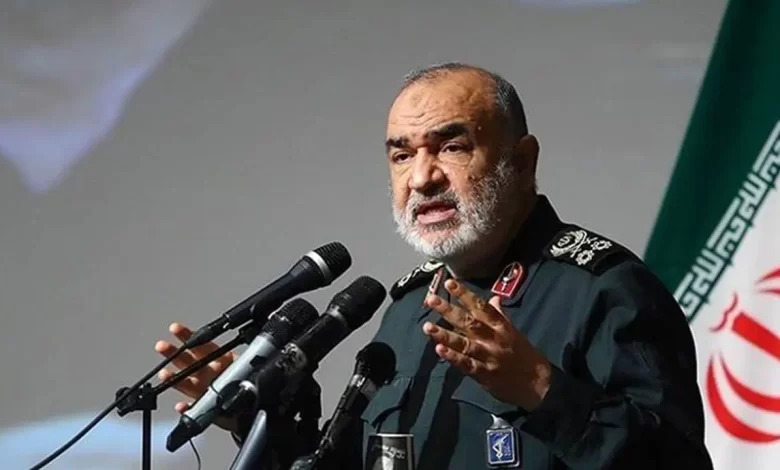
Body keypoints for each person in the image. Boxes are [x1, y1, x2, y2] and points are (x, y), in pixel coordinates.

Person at [154, 63, 714, 469]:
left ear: (522, 161)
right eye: (402, 155)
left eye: (451, 147)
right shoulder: (406, 310)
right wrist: (251, 416)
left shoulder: (605, 290)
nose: (421, 178)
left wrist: (543, 390)